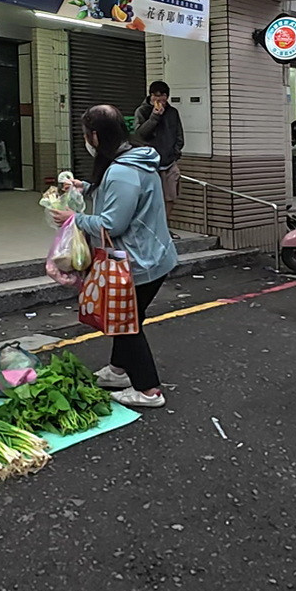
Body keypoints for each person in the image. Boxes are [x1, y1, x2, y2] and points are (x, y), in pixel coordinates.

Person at [52, 104, 178, 408]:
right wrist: (87, 187)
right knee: (127, 318)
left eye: (86, 134)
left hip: (136, 262)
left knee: (126, 324)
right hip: (151, 256)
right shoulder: (134, 157)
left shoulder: (122, 170)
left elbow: (112, 224)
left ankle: (149, 390)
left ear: (95, 135)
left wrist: (74, 218)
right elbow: (121, 196)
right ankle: (119, 371)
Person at [134, 81, 185, 227]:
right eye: (157, 97)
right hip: (150, 164)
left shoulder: (172, 112)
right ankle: (152, 228)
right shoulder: (142, 111)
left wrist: (175, 152)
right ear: (151, 96)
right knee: (152, 199)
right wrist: (154, 117)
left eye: (163, 97)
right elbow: (140, 134)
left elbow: (179, 134)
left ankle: (164, 227)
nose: (161, 101)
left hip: (169, 161)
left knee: (170, 197)